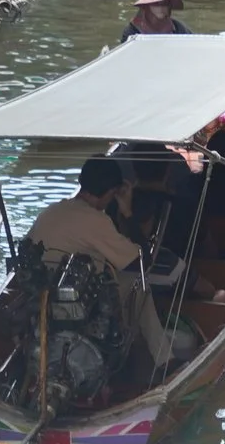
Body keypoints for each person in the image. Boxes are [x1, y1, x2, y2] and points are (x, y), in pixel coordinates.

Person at [27, 157, 171, 369]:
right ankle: (164, 359)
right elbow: (141, 262)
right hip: (77, 302)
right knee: (138, 284)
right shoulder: (96, 221)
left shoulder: (50, 211)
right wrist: (127, 212)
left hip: (40, 295)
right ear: (111, 192)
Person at [122, 0, 190, 40]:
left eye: (164, 3)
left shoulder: (178, 28)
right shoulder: (132, 31)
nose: (161, 7)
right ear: (146, 6)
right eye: (155, 3)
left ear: (169, 6)